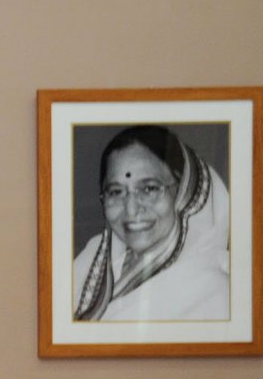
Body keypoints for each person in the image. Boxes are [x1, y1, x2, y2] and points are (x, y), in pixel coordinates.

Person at [73, 125, 231, 322]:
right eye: (115, 191)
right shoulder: (93, 255)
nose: (131, 210)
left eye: (149, 189)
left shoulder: (212, 295)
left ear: (184, 190)